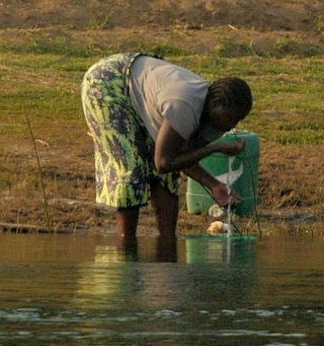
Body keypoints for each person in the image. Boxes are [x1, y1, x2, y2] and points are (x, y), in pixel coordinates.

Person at [80, 52, 252, 245]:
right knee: (130, 166)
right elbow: (163, 162)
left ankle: (167, 241)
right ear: (215, 104)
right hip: (109, 83)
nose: (232, 125)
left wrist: (214, 185)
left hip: (145, 89)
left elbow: (179, 159)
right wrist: (214, 149)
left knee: (168, 177)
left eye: (238, 119)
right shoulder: (184, 106)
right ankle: (127, 246)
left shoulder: (216, 121)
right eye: (230, 118)